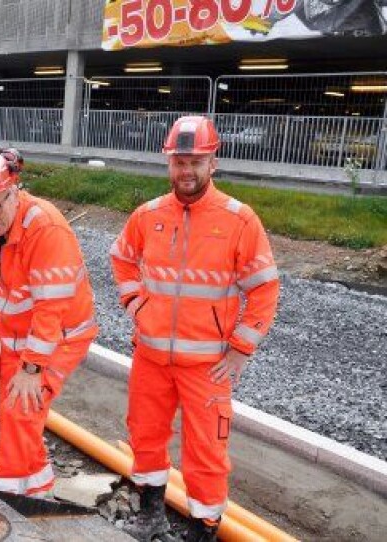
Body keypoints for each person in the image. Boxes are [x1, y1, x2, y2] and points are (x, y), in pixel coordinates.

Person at [110, 116, 280, 542]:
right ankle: (150, 511)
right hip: (150, 358)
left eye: (196, 161)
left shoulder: (240, 220)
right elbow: (122, 258)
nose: (187, 170)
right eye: (179, 161)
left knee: (206, 454)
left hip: (207, 366)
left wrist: (240, 349)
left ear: (212, 162)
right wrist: (136, 303)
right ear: (169, 163)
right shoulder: (148, 215)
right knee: (145, 437)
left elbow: (264, 289)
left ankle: (202, 529)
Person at [0, 148, 98, 497]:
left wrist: (32, 370)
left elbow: (51, 309)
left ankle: (3, 496)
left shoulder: (46, 229)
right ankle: (35, 489)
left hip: (60, 337)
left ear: (14, 190)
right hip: (16, 337)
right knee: (12, 415)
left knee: (22, 407)